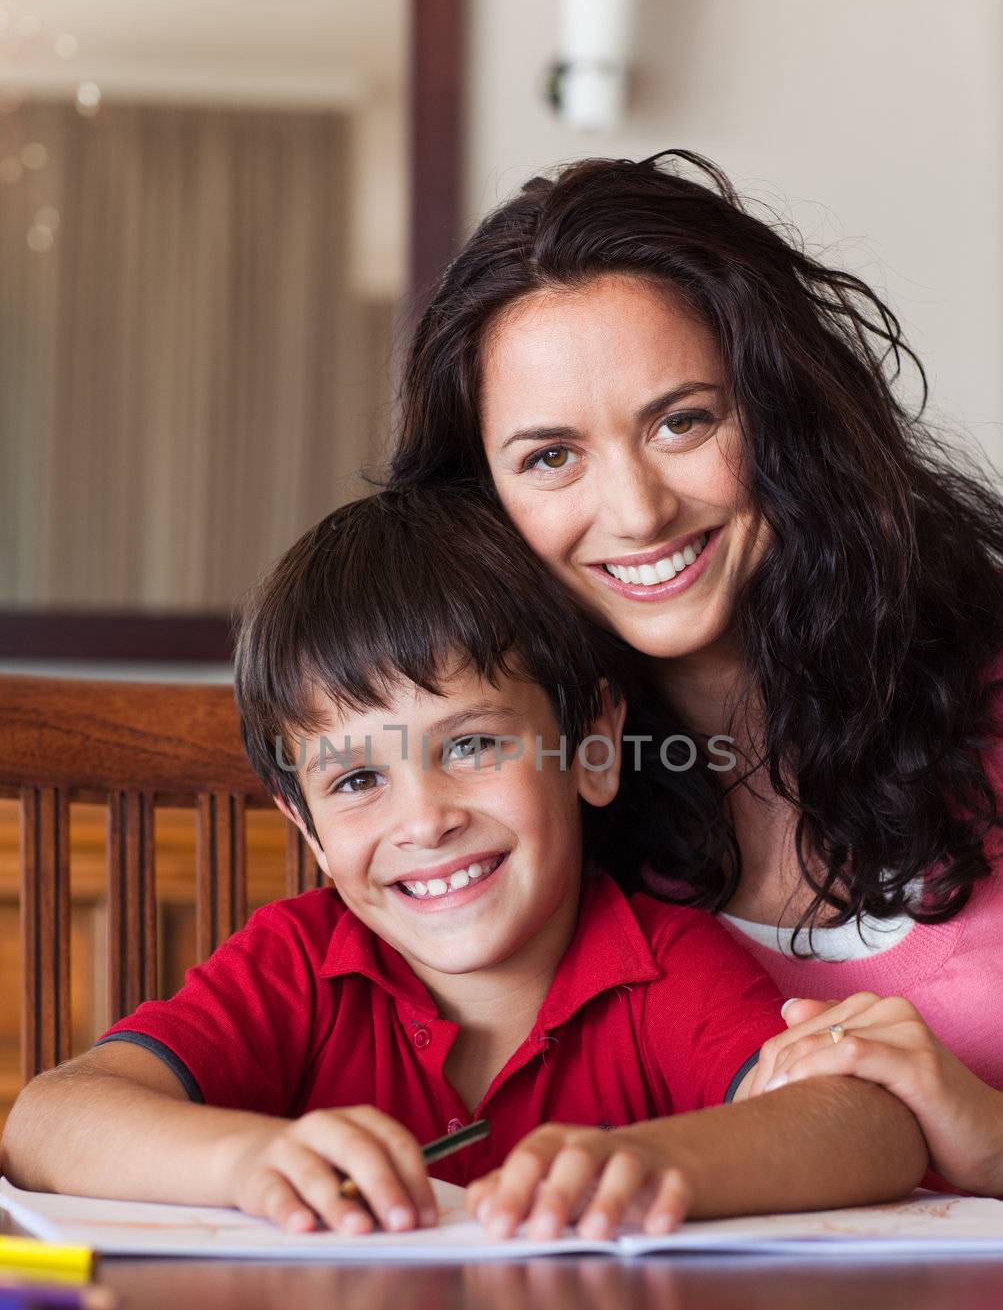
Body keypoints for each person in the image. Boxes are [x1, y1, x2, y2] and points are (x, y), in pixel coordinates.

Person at [1, 488, 926, 1239]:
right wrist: (242, 1163)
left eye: (474, 747)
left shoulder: (660, 963)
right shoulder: (298, 962)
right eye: (358, 777)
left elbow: (868, 1127)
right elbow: (48, 1121)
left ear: (593, 750)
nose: (425, 819)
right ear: (310, 829)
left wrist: (661, 1164)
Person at [388, 150, 1003, 1197]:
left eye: (684, 421)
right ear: (477, 505)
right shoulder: (504, 804)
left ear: (785, 414)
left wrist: (984, 1135)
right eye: (550, 456)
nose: (635, 511)